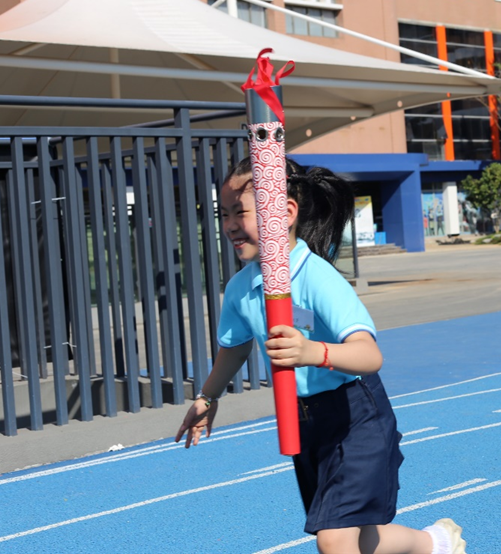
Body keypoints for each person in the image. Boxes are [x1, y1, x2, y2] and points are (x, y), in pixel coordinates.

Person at [175, 157, 467, 554]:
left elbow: (369, 355)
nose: (228, 224)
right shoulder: (242, 288)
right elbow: (235, 348)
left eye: (239, 212)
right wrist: (207, 397)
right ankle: (432, 543)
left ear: (286, 212)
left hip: (355, 415)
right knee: (352, 534)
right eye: (222, 213)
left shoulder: (317, 276)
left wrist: (314, 351)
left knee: (334, 539)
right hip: (306, 421)